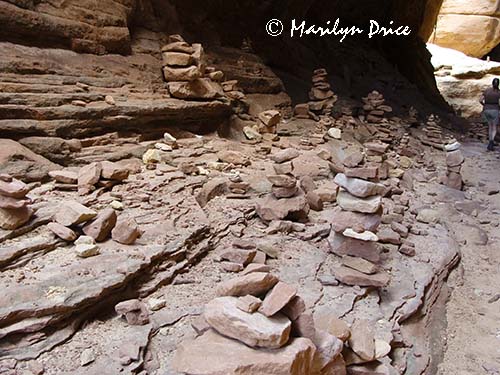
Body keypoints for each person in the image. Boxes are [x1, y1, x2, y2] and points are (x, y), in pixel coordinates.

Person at [480, 78, 500, 151]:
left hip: (486, 109)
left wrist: (484, 105)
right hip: (495, 109)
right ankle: (491, 142)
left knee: (490, 127)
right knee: (494, 127)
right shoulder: (498, 92)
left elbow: (480, 100)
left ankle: (490, 142)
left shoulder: (487, 91)